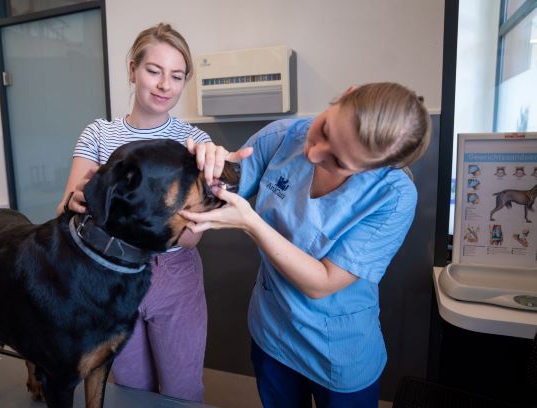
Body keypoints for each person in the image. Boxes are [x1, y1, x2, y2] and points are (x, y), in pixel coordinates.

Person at [180, 82, 431, 408]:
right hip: (272, 332)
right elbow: (222, 188)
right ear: (343, 93)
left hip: (338, 350)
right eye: (324, 128)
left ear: (375, 168)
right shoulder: (282, 136)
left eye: (338, 161)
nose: (313, 153)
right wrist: (208, 162)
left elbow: (323, 282)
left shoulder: (393, 196)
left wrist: (252, 223)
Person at [56, 22, 239, 402]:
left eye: (176, 76)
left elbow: (190, 236)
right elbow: (66, 208)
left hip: (175, 277)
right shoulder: (99, 135)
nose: (163, 85)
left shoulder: (195, 145)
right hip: (110, 280)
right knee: (130, 387)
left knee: (182, 391)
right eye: (153, 71)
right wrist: (77, 200)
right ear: (132, 69)